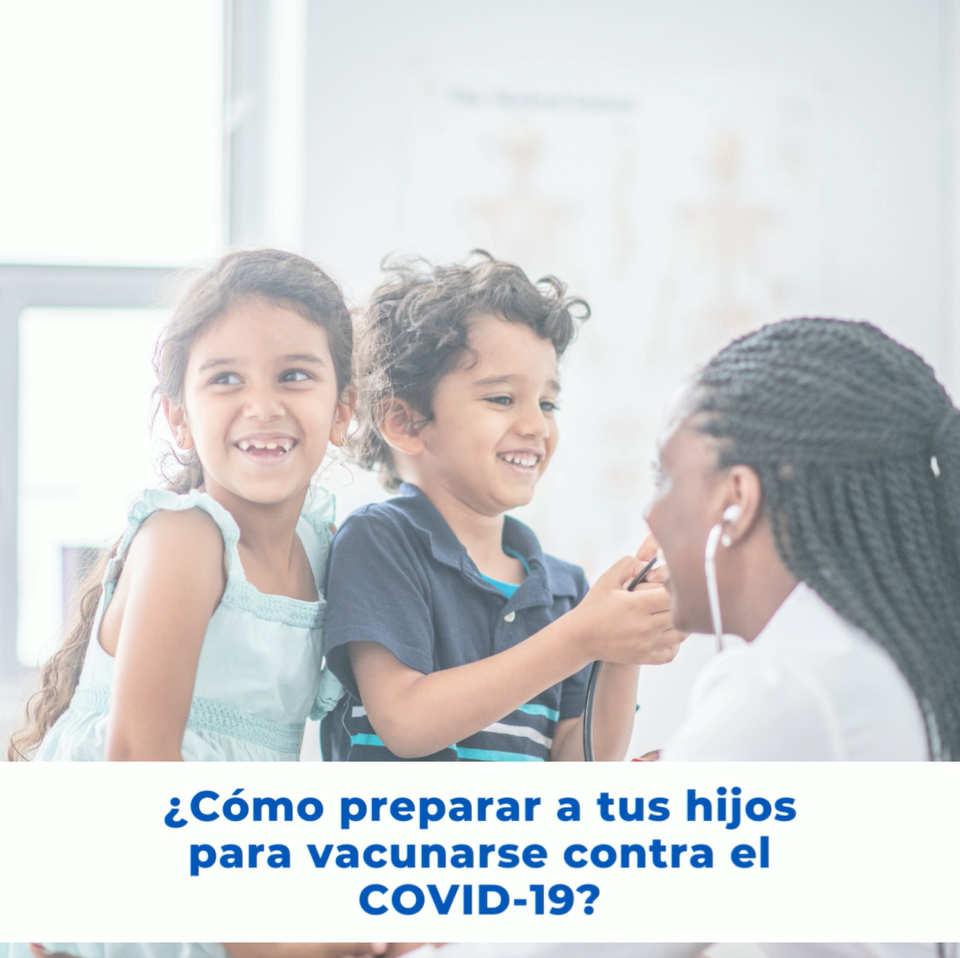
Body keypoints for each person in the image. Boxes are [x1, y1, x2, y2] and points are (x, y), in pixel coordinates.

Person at [321, 252, 683, 762]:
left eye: (548, 403)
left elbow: (581, 764)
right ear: (405, 423)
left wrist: (620, 649)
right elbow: (405, 721)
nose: (537, 426)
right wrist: (582, 638)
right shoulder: (379, 541)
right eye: (502, 399)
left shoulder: (563, 590)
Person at [8, 249, 356, 762]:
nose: (262, 406)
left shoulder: (317, 544)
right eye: (225, 379)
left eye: (294, 375)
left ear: (341, 411)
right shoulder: (185, 539)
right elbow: (138, 762)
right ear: (179, 419)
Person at [643, 317, 960, 761]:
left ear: (738, 500)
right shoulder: (890, 655)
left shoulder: (785, 687)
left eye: (664, 477)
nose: (649, 513)